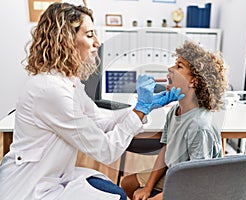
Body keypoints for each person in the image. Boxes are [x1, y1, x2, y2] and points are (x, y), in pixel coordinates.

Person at [0, 3, 184, 200]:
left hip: (53, 176)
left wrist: (144, 108)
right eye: (89, 35)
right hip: (29, 187)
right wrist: (139, 111)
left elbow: (99, 121)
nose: (97, 42)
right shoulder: (51, 91)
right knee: (118, 196)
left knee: (114, 192)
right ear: (66, 41)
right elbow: (105, 151)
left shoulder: (68, 82)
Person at [121, 40, 228, 200]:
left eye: (179, 66)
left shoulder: (199, 125)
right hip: (174, 174)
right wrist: (148, 188)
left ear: (193, 81)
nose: (170, 69)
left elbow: (197, 180)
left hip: (195, 186)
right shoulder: (174, 111)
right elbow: (165, 150)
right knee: (128, 183)